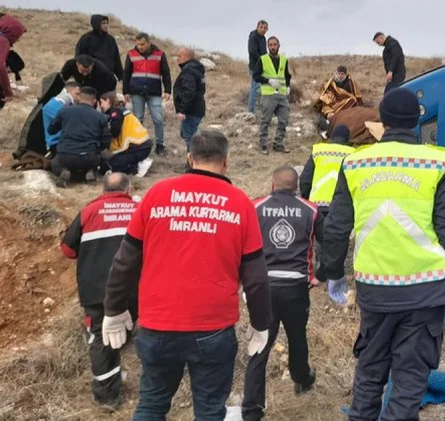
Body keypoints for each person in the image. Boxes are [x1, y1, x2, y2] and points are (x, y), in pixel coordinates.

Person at [323, 88, 445, 420]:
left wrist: (334, 273)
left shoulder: (354, 163)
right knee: (410, 377)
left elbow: (336, 227)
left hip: (375, 288)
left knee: (370, 369)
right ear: (416, 121)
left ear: (382, 120)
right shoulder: (436, 162)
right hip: (426, 289)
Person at [101, 130, 272, 420]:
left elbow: (125, 261)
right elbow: (256, 276)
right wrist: (260, 322)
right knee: (209, 411)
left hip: (158, 324)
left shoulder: (156, 194)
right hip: (213, 328)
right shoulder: (240, 203)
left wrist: (114, 308)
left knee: (151, 405)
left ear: (190, 158)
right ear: (226, 161)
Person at [243, 166, 321, 421]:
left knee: (260, 344)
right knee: (297, 336)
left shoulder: (255, 207)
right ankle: (301, 378)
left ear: (272, 184)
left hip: (264, 287)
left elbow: (242, 244)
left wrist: (244, 280)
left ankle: (251, 409)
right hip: (296, 287)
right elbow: (329, 239)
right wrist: (321, 274)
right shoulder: (311, 210)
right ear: (296, 186)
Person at [60, 172, 138, 412]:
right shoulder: (140, 211)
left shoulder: (88, 212)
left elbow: (67, 250)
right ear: (129, 189)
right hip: (135, 289)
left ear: (103, 190)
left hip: (96, 291)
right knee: (139, 333)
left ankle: (107, 398)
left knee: (100, 339)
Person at [299, 125, 353, 279]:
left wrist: (305, 198)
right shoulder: (352, 154)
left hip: (318, 202)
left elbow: (306, 178)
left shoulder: (319, 150)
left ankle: (321, 265)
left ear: (331, 137)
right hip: (340, 203)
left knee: (321, 237)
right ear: (348, 139)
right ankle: (333, 270)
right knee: (338, 237)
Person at [48, 86, 111, 184]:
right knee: (96, 161)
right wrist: (97, 149)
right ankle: (91, 171)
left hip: (66, 155)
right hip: (89, 156)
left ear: (79, 97)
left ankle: (63, 171)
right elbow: (106, 140)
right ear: (94, 101)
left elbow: (51, 130)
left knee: (55, 163)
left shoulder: (64, 111)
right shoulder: (100, 116)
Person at [123, 33, 172, 157]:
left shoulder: (159, 54)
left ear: (149, 43)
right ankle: (138, 144)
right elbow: (126, 73)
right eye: (138, 44)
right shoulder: (131, 54)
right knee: (137, 119)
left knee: (158, 119)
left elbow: (166, 73)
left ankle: (160, 145)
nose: (140, 47)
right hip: (136, 92)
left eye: (143, 44)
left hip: (154, 92)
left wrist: (167, 90)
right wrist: (126, 91)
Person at [253, 36, 291, 154]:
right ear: (268, 46)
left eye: (275, 45)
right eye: (270, 45)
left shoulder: (284, 59)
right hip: (268, 94)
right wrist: (268, 81)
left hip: (282, 94)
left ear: (279, 45)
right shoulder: (263, 59)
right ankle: (263, 145)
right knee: (265, 121)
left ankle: (278, 144)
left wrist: (288, 86)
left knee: (284, 120)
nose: (273, 47)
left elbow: (286, 75)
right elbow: (255, 76)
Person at [99, 91, 152, 175]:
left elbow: (115, 131)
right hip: (141, 145)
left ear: (108, 101)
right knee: (114, 162)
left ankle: (139, 166)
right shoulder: (122, 110)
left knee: (109, 165)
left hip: (136, 146)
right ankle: (135, 165)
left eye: (101, 102)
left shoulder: (116, 112)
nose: (101, 106)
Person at [173, 47, 206, 151]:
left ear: (187, 57)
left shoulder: (189, 71)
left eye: (179, 56)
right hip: (197, 108)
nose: (177, 58)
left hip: (191, 110)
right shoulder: (197, 69)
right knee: (186, 133)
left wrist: (182, 110)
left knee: (190, 139)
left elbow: (189, 91)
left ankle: (194, 159)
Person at [75, 14, 124, 81]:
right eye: (103, 23)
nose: (106, 25)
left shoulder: (110, 40)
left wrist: (121, 76)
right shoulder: (87, 38)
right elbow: (79, 56)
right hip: (91, 76)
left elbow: (116, 59)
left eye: (107, 23)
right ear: (96, 24)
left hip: (108, 76)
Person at [42, 81, 81, 153]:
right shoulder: (52, 105)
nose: (78, 98)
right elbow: (71, 122)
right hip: (58, 144)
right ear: (67, 91)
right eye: (77, 94)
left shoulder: (70, 106)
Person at [0, 13, 26, 104]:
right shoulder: (3, 40)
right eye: (17, 36)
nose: (17, 39)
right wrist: (8, 92)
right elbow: (0, 66)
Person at [247, 20, 268, 114]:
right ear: (257, 27)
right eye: (261, 27)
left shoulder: (263, 38)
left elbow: (264, 52)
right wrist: (262, 61)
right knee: (255, 89)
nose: (263, 29)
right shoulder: (253, 36)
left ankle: (259, 109)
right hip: (255, 67)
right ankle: (250, 111)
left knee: (259, 89)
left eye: (265, 28)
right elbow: (252, 51)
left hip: (262, 66)